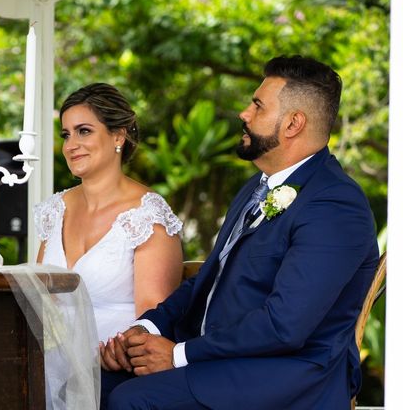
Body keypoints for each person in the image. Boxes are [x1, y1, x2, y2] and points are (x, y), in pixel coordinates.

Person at [100, 56, 379, 410]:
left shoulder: (336, 206)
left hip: (288, 377)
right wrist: (147, 330)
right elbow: (208, 279)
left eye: (258, 105)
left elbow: (284, 326)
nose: (244, 113)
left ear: (293, 123)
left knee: (132, 400)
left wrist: (179, 354)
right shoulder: (256, 188)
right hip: (222, 362)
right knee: (96, 383)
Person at [34, 82, 184, 343]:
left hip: (117, 368)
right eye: (66, 135)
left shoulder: (147, 215)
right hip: (46, 362)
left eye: (84, 131)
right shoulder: (54, 210)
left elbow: (152, 322)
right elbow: (36, 300)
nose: (71, 145)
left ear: (118, 136)